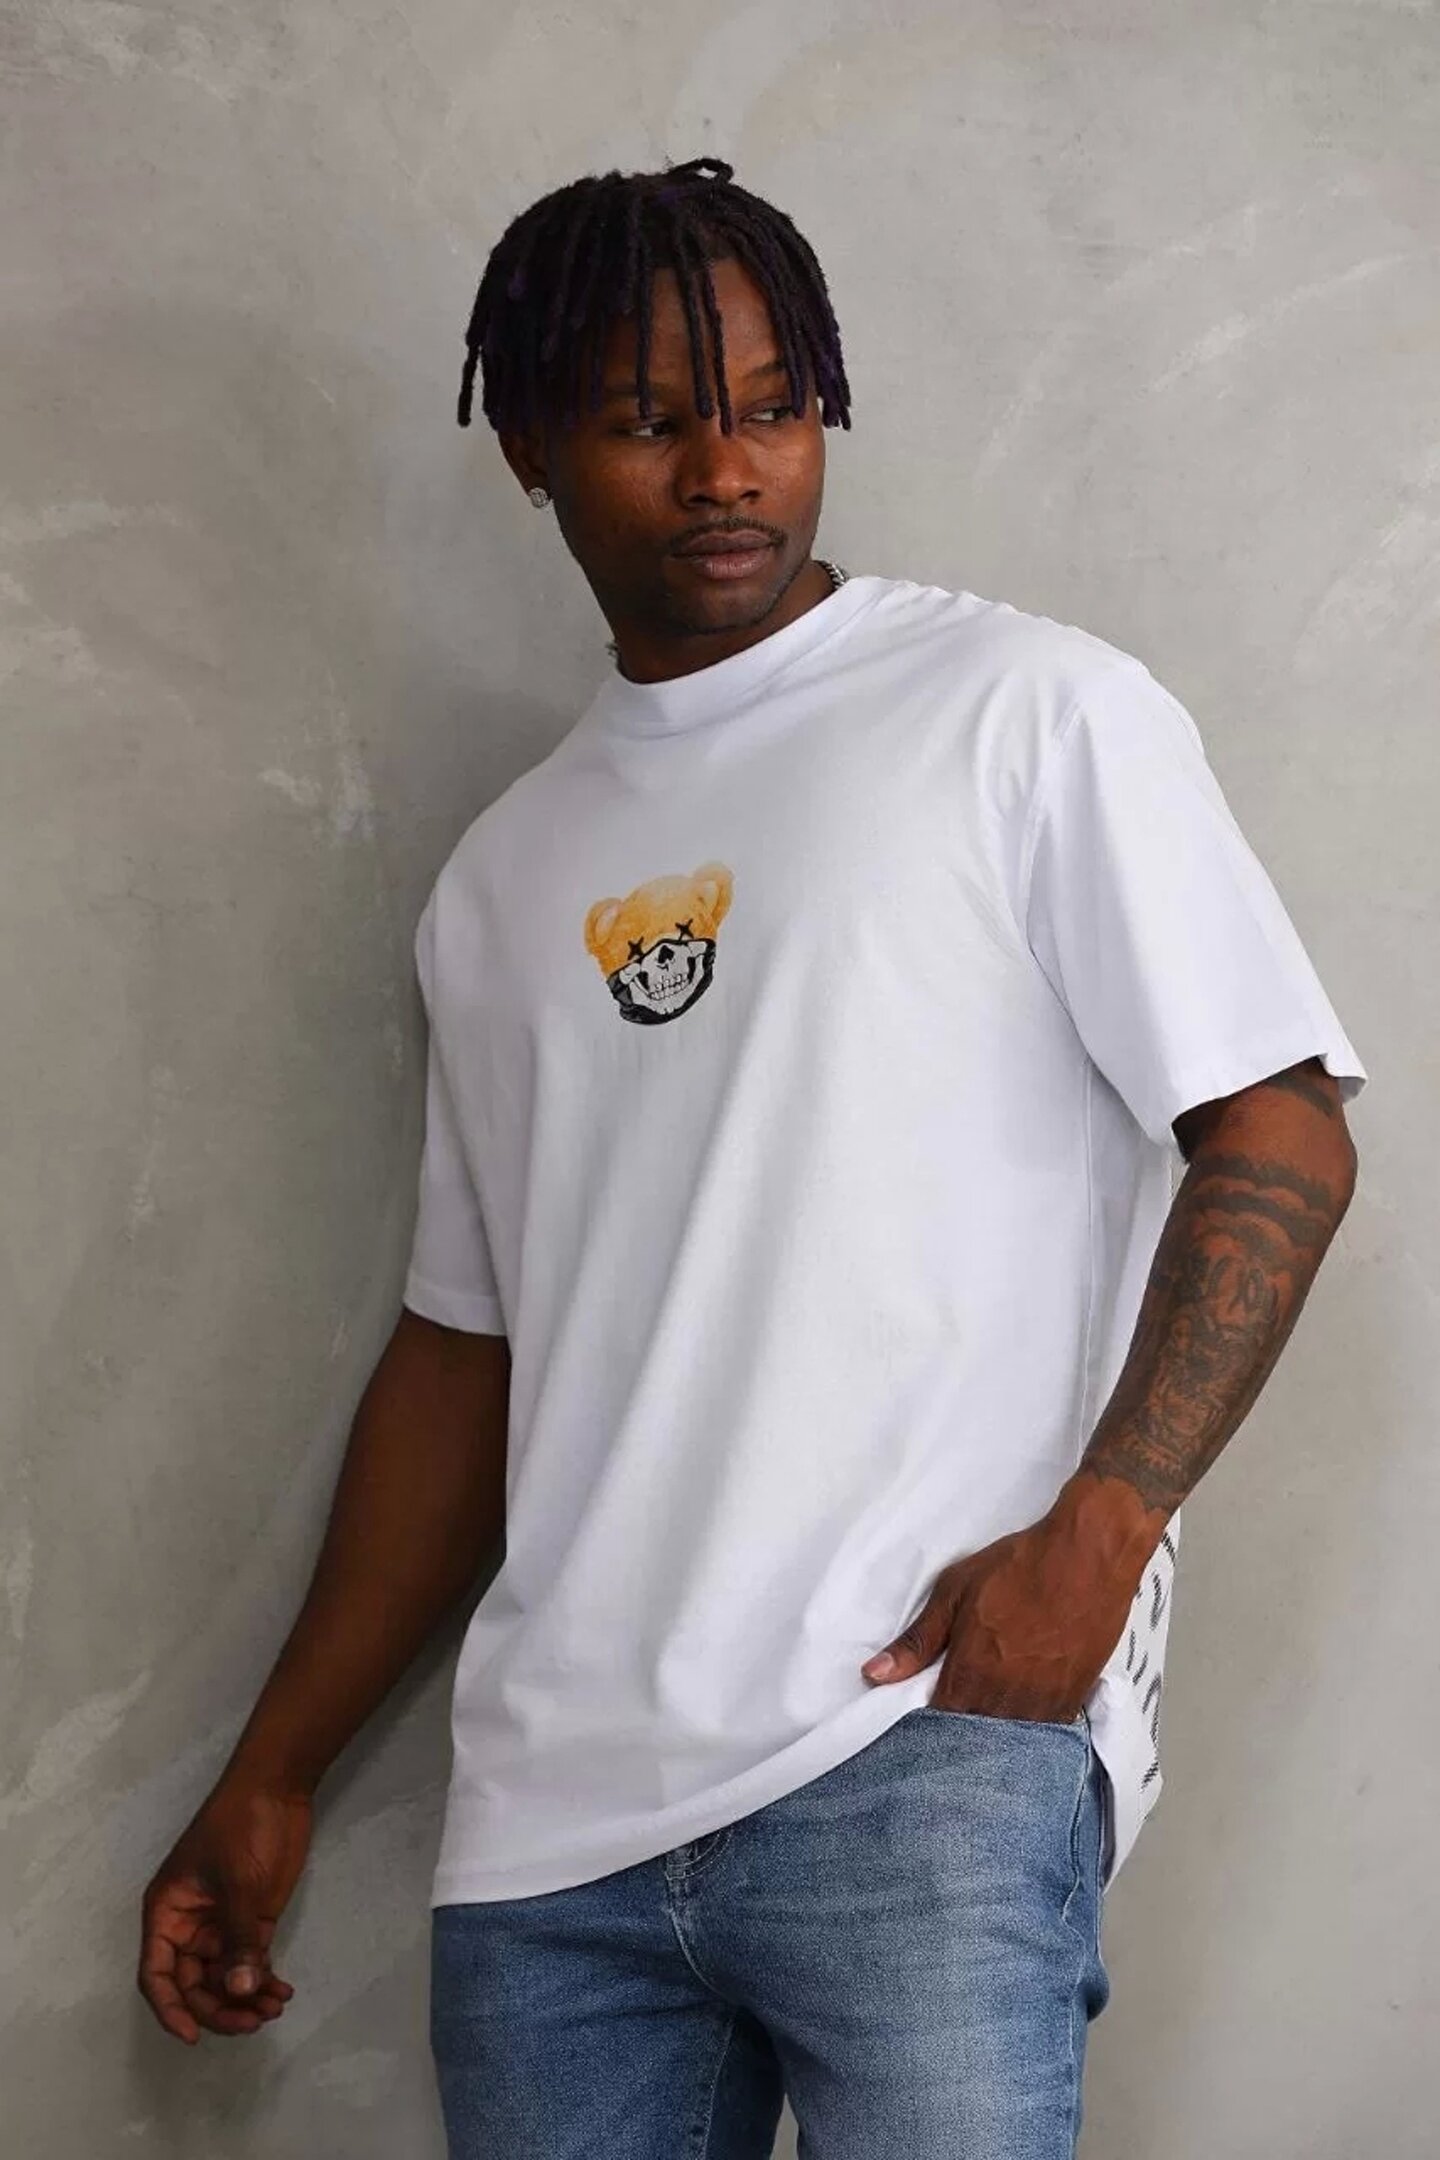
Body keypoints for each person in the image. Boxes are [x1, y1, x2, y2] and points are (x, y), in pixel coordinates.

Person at [138, 154, 1367, 2158]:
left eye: (776, 406)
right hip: (550, 1848)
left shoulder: (1024, 712)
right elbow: (463, 1362)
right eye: (649, 419)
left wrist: (1103, 1536)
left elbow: (1279, 1128)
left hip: (919, 1746)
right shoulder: (500, 881)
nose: (727, 469)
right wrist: (275, 1768)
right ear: (531, 449)